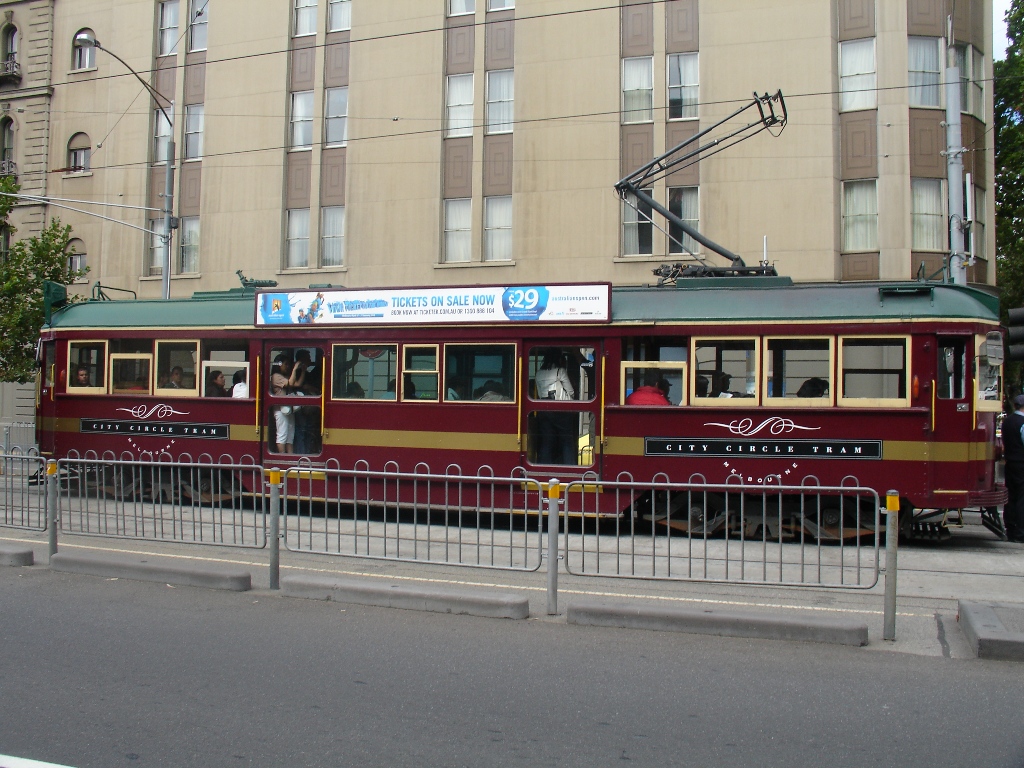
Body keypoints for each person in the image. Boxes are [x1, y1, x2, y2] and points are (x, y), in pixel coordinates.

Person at [1001, 394, 1024, 543]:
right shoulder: (1023, 423)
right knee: (1022, 498)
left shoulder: (1007, 421)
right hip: (1022, 463)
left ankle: (1010, 528)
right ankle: (1021, 532)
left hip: (1010, 463)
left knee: (1010, 496)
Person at [270, 353, 303, 453]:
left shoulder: (284, 376)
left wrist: (303, 370)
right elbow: (290, 383)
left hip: (289, 408)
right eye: (286, 364)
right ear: (279, 365)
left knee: (290, 436)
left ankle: (290, 457)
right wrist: (295, 369)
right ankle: (282, 458)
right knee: (282, 435)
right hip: (280, 409)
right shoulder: (276, 376)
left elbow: (298, 384)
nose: (288, 367)